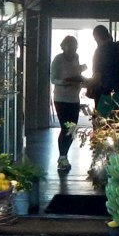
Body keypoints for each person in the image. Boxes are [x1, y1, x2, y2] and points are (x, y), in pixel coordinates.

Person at [49, 35, 86, 172]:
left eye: (74, 48)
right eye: (70, 48)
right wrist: (64, 82)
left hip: (74, 98)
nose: (72, 51)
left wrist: (81, 73)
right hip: (61, 98)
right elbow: (52, 78)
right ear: (64, 47)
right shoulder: (58, 59)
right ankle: (62, 156)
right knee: (65, 128)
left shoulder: (76, 57)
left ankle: (64, 155)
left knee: (72, 128)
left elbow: (76, 72)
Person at [86, 24, 119, 118]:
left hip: (107, 96)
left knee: (104, 123)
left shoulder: (100, 52)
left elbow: (97, 77)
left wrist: (86, 84)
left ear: (96, 38)